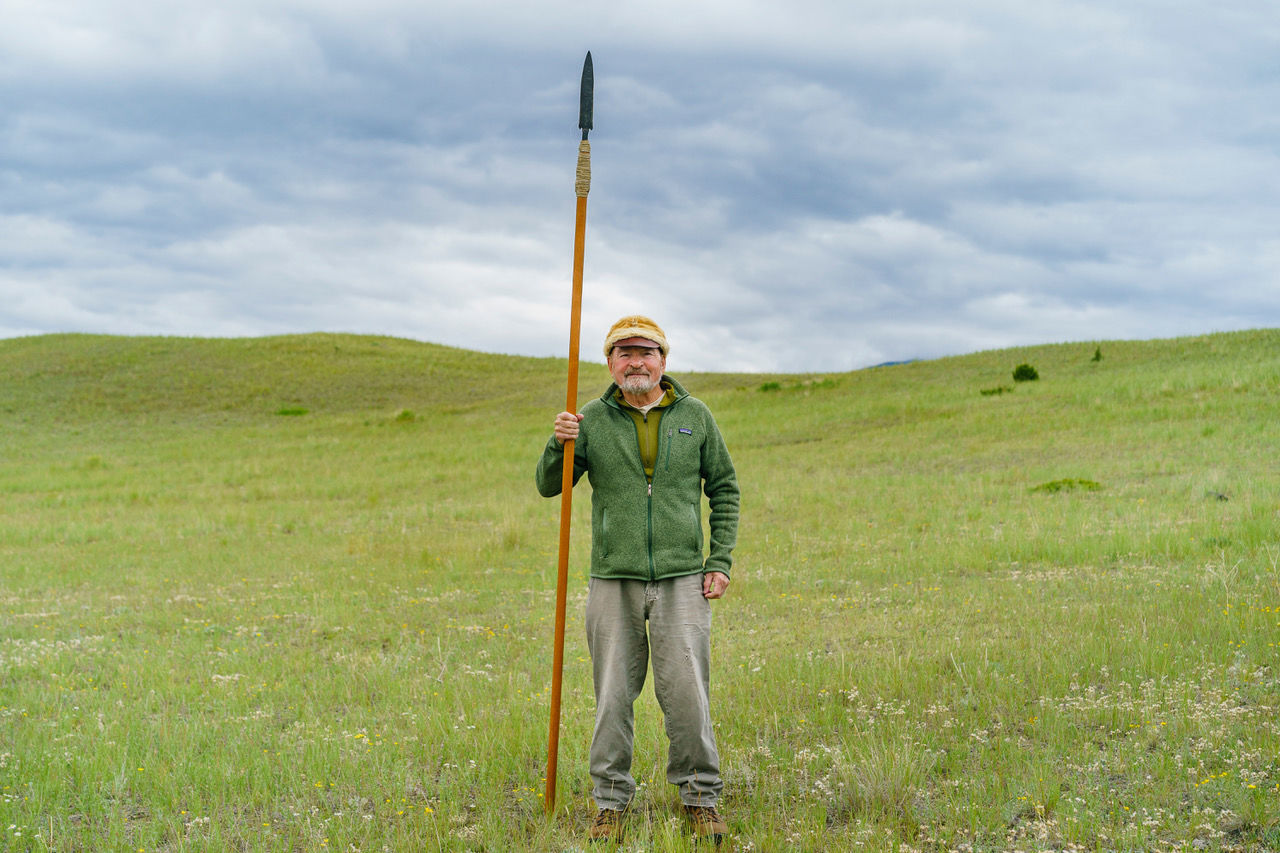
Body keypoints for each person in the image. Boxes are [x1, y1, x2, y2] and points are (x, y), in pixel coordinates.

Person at [536, 315, 740, 845]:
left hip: (681, 579)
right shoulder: (591, 420)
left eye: (645, 351)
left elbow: (724, 488)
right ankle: (609, 802)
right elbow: (547, 487)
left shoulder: (695, 415)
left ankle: (700, 796)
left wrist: (719, 561)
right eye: (624, 352)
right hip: (613, 580)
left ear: (663, 360)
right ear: (610, 363)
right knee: (612, 697)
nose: (636, 361)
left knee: (688, 693)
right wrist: (558, 445)